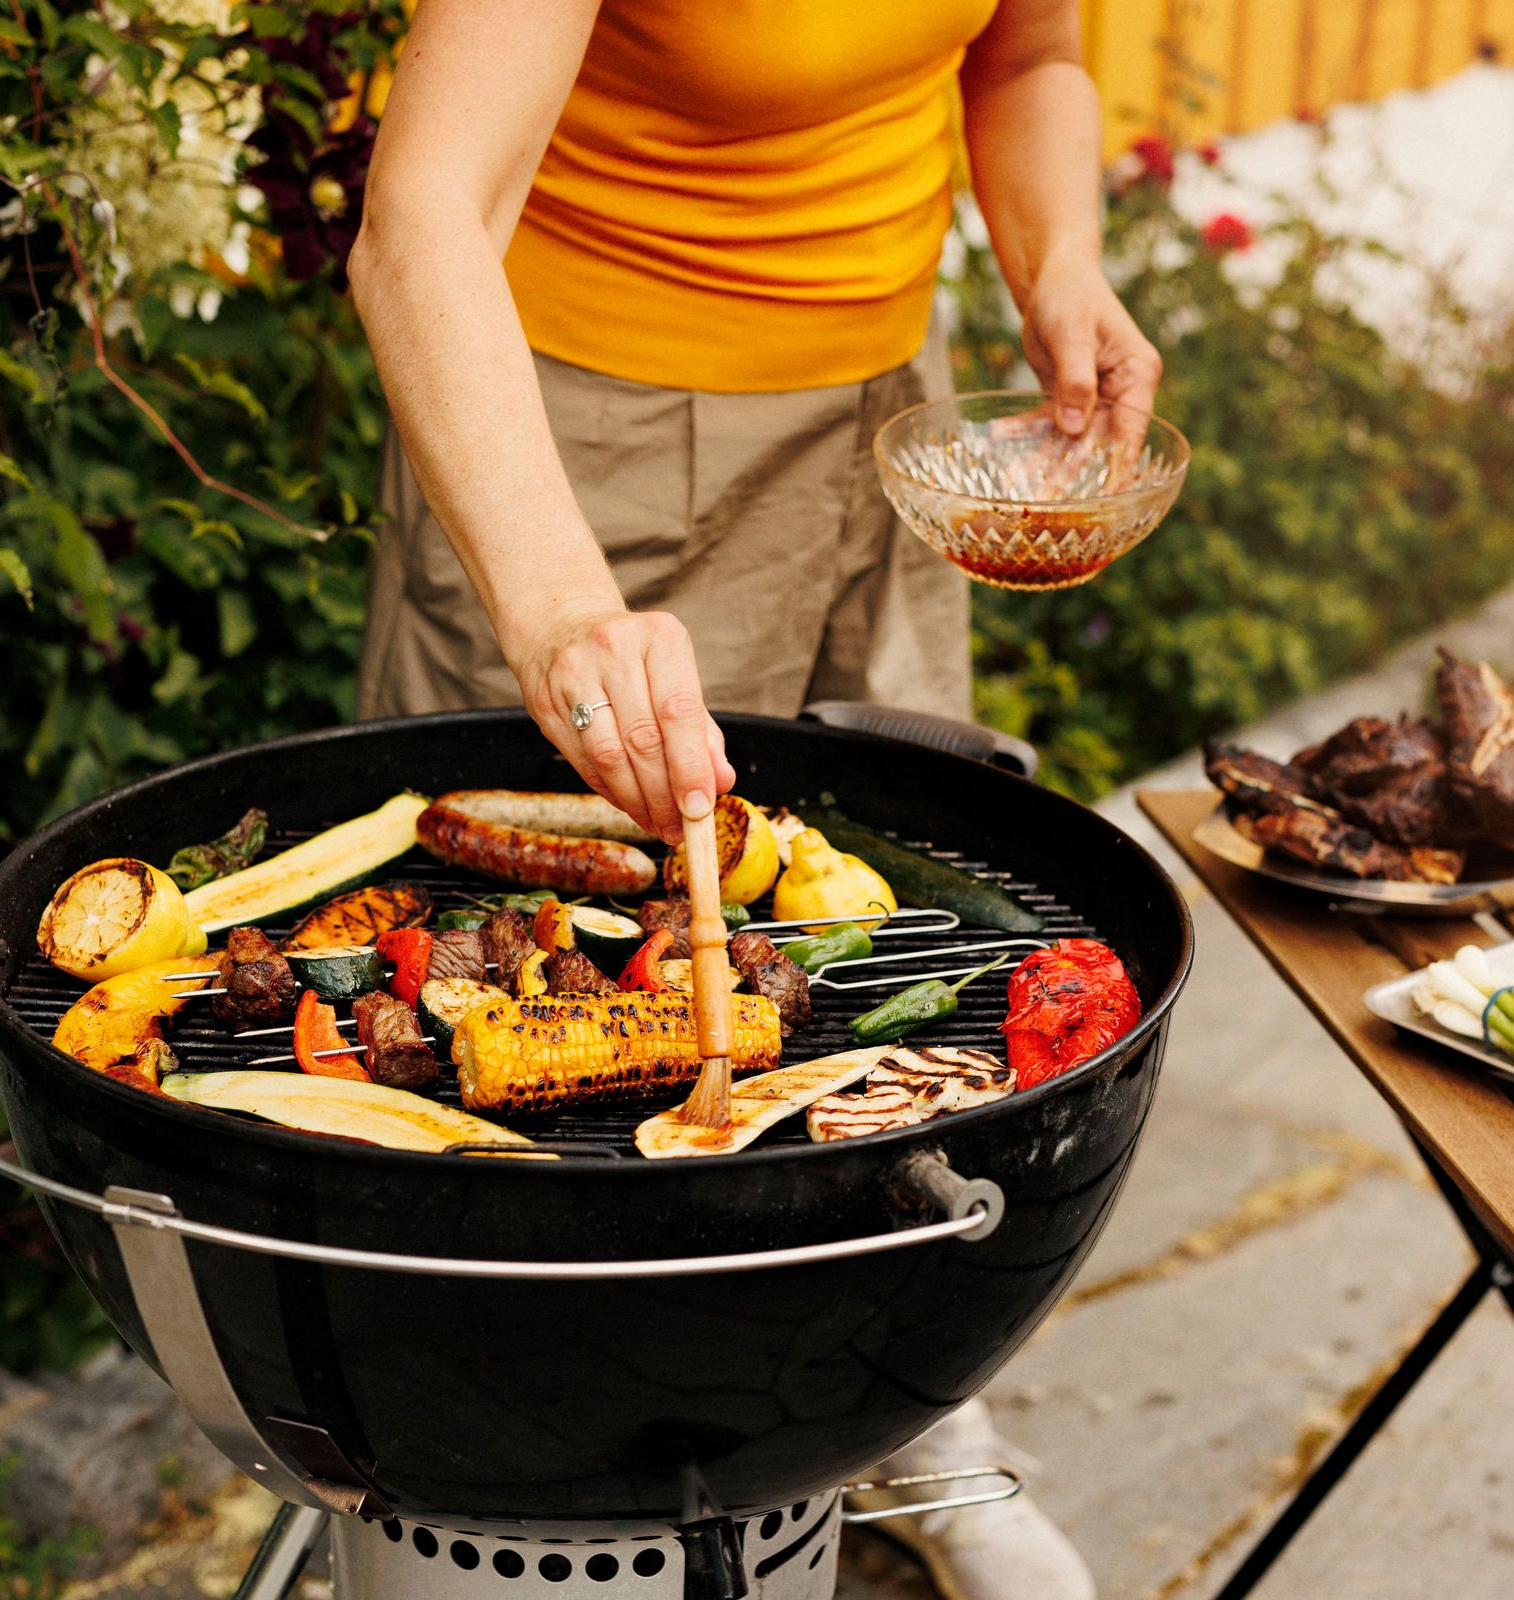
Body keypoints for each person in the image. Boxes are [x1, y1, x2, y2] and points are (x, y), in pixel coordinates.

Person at [349, 3, 1157, 1595]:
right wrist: (561, 607)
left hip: (888, 413)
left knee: (865, 950)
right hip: (588, 431)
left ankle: (905, 1418)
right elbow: (421, 218)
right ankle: (487, 1459)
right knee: (523, 995)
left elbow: (1027, 55)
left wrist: (1057, 265)